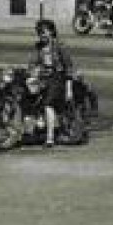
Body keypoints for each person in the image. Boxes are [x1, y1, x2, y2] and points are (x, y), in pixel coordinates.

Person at [28, 18, 75, 147]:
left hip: (57, 77)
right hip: (43, 77)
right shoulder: (38, 47)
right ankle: (36, 121)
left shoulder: (59, 45)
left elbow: (68, 67)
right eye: (39, 32)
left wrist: (69, 87)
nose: (41, 35)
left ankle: (50, 138)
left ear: (51, 32)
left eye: (44, 32)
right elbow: (32, 63)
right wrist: (32, 73)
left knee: (48, 104)